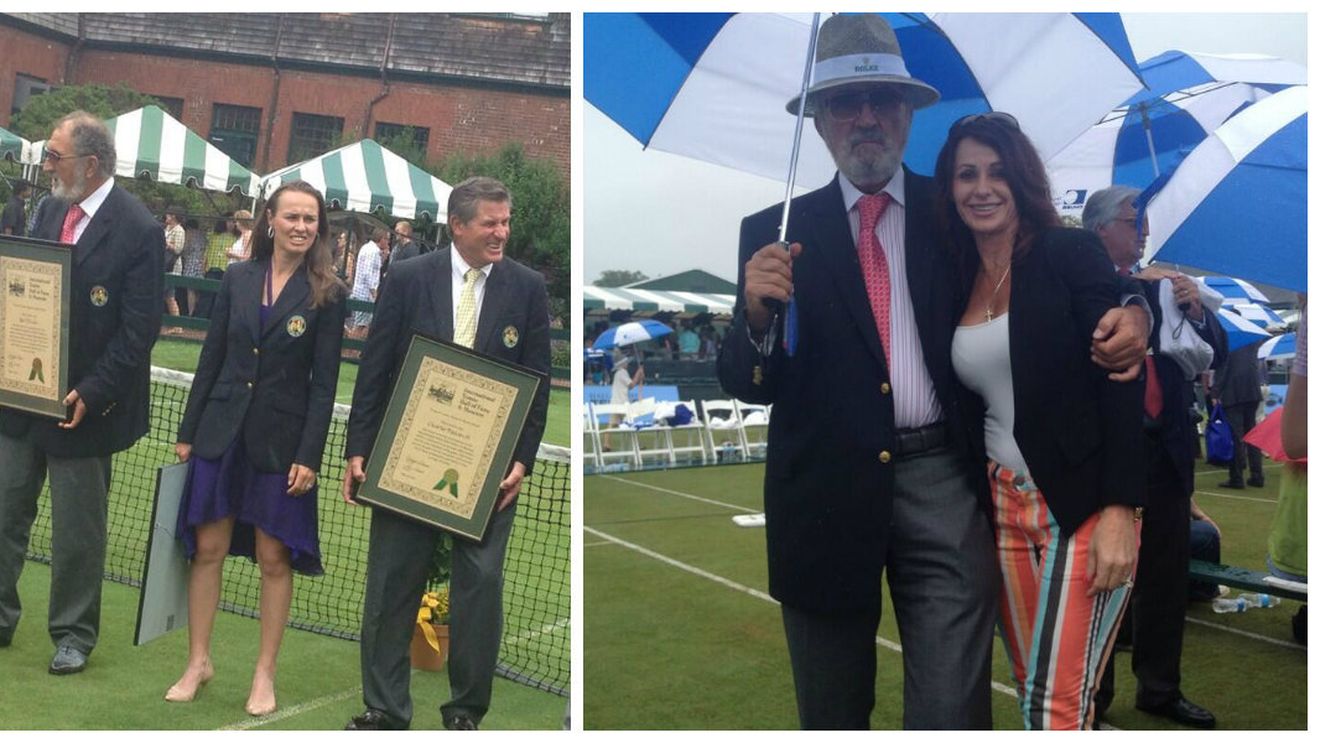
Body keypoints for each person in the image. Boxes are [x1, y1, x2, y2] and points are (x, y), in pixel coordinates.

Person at [715, 14, 1149, 730]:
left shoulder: (955, 213)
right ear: (818, 121)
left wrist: (1136, 308)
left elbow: (1047, 267)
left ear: (909, 113)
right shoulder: (775, 231)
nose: (865, 119)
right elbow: (749, 382)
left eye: (882, 100)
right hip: (823, 494)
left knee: (952, 710)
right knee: (833, 712)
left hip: (945, 480)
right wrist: (755, 319)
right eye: (844, 105)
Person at [934, 113, 1144, 730]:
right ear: (949, 188)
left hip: (1079, 506)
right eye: (966, 174)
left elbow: (1121, 376)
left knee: (1055, 705)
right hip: (999, 509)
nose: (982, 187)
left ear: (1021, 179)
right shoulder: (954, 277)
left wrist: (1120, 511)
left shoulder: (1067, 251)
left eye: (997, 172)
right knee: (1037, 691)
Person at [341, 176, 550, 731]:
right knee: (392, 582)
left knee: (480, 587)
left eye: (506, 222)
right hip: (405, 457)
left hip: (490, 471)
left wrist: (522, 461)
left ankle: (464, 712)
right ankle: (384, 708)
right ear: (457, 225)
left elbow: (538, 382)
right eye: (490, 222)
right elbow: (375, 368)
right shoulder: (409, 277)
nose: (502, 232)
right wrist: (358, 448)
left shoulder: (527, 288)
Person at [166, 180, 346, 716]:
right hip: (221, 434)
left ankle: (263, 674)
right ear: (270, 219)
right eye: (291, 216)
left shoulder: (327, 293)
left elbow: (324, 384)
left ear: (319, 228)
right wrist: (188, 430)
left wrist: (310, 456)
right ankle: (198, 661)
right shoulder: (239, 277)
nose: (300, 227)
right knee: (208, 550)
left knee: (273, 557)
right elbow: (212, 359)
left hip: (283, 444)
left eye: (309, 219)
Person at [0, 110, 164, 673]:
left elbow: (139, 330)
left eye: (55, 156)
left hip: (85, 410)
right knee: (4, 511)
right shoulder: (47, 209)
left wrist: (91, 392)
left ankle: (73, 635)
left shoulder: (139, 228)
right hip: (25, 397)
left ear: (90, 165)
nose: (46, 165)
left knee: (77, 533)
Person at [1082, 185, 1224, 729]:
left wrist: (1193, 307)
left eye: (1140, 220)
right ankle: (1094, 695)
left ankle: (1161, 689)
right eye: (1130, 219)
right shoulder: (1084, 279)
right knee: (1104, 577)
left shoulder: (1164, 283)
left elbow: (1208, 353)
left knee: (1165, 576)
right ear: (1100, 229)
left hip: (1166, 449)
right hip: (1105, 450)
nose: (1141, 230)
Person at [1211, 341, 1267, 488]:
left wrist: (1215, 391)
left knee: (1236, 438)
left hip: (1234, 394)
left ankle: (1236, 477)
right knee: (1252, 436)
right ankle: (1257, 475)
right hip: (1252, 391)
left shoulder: (1227, 342)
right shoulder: (1251, 341)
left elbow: (1224, 369)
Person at [347, 227, 387, 336]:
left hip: (360, 291)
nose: (388, 242)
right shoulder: (373, 252)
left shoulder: (366, 248)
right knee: (360, 326)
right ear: (381, 239)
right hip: (366, 294)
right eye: (386, 239)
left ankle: (352, 349)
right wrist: (375, 293)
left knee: (360, 324)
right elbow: (368, 273)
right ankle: (351, 351)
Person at [163, 210, 185, 328]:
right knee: (169, 297)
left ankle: (177, 325)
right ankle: (177, 326)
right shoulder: (167, 228)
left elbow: (178, 249)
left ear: (174, 216)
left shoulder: (179, 230)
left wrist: (167, 244)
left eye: (168, 214)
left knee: (168, 296)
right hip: (163, 266)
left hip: (172, 266)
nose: (166, 217)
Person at [181, 216, 207, 316]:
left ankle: (191, 313)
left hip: (190, 263)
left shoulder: (188, 234)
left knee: (190, 289)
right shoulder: (202, 235)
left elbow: (185, 248)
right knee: (198, 289)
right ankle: (198, 311)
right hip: (201, 263)